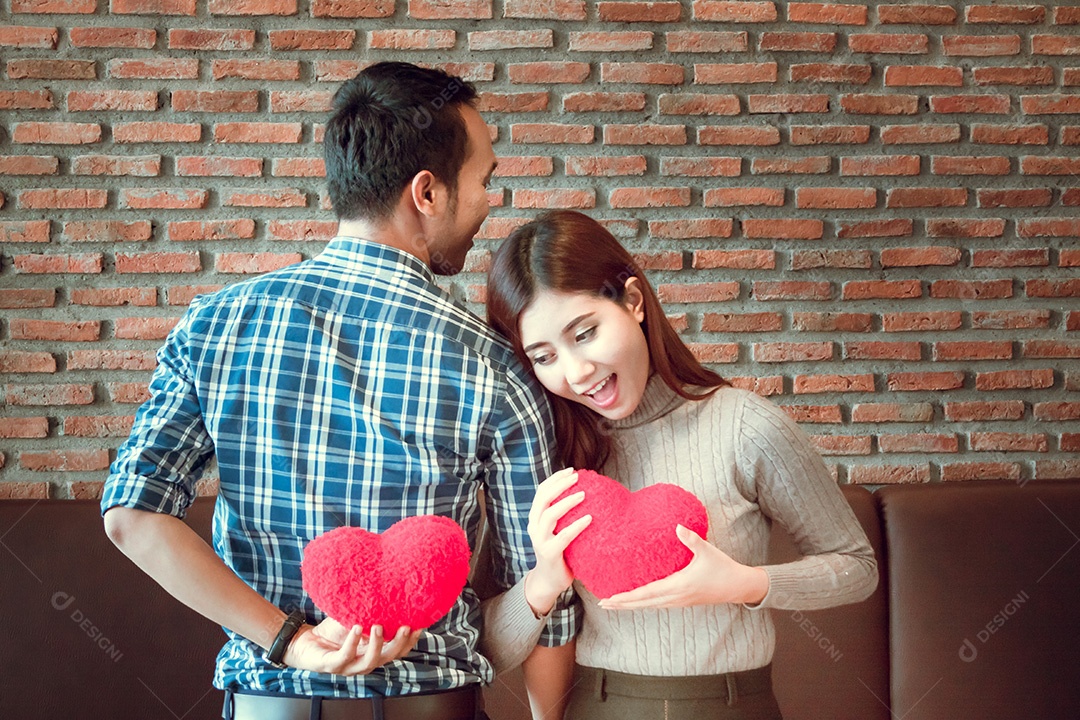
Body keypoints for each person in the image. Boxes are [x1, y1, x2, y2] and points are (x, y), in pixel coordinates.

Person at [101, 61, 580, 720]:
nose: (490, 200)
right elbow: (544, 595)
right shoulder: (496, 366)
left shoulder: (214, 325)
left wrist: (289, 641)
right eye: (484, 180)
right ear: (427, 192)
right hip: (433, 703)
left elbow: (133, 518)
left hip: (269, 701)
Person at [485, 210, 879, 720]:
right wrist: (543, 582)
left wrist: (743, 583)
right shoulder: (549, 456)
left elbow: (856, 567)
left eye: (584, 333)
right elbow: (488, 646)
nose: (576, 372)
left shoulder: (745, 425)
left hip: (733, 706)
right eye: (544, 356)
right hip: (598, 706)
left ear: (632, 301)